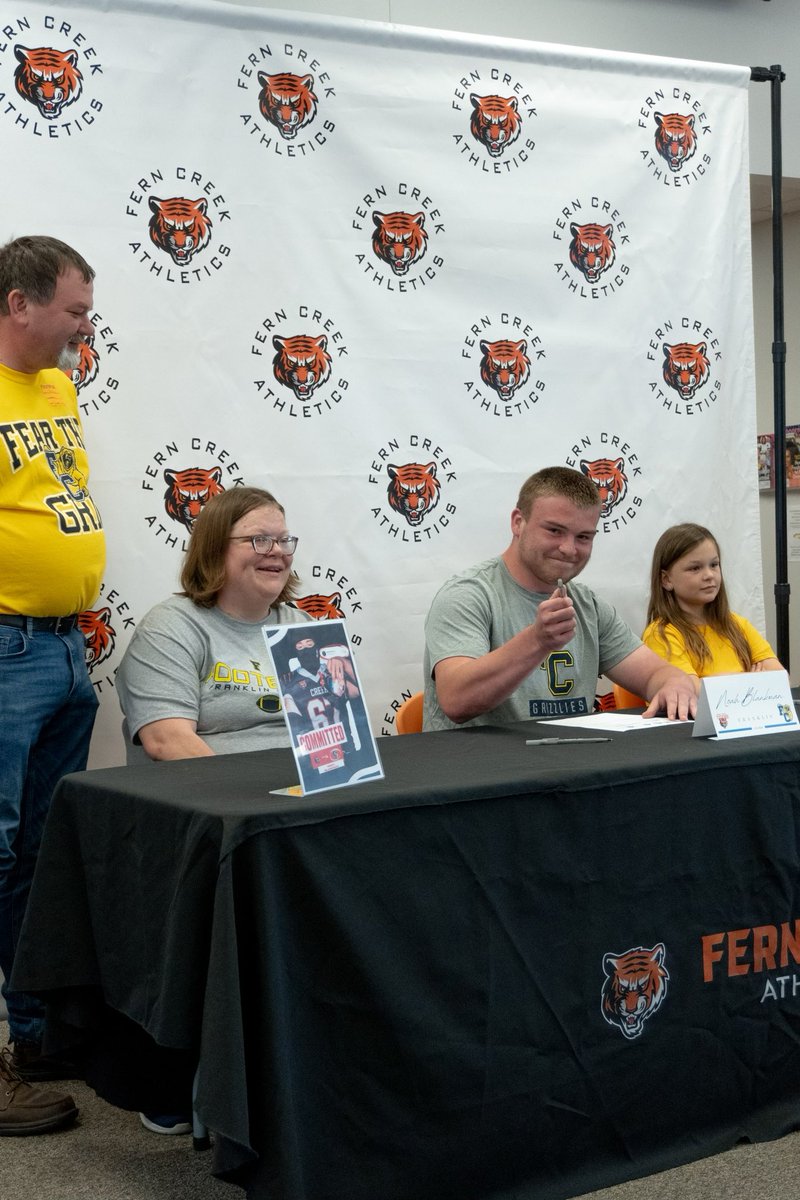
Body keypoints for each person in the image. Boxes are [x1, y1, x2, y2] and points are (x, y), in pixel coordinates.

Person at [0, 235, 105, 1134]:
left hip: (65, 650)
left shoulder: (59, 386)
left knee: (36, 859)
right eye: (74, 310)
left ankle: (29, 1040)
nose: (85, 326)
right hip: (3, 649)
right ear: (18, 303)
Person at [423, 466, 697, 731]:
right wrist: (537, 640)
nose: (569, 548)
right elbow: (456, 700)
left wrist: (674, 684)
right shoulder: (467, 595)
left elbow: (654, 674)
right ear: (518, 522)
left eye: (583, 537)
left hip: (571, 769)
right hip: (480, 771)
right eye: (554, 531)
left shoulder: (588, 604)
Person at [116, 486, 312, 764]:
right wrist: (246, 800)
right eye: (260, 540)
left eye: (283, 540)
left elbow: (339, 729)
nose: (277, 551)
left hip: (311, 795)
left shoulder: (302, 626)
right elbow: (167, 740)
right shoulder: (169, 628)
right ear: (215, 548)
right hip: (216, 798)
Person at [642, 523, 782, 688]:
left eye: (714, 565)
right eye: (695, 568)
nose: (709, 575)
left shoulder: (737, 625)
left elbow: (779, 680)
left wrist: (713, 683)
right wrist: (751, 681)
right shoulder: (661, 635)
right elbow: (690, 692)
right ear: (666, 580)